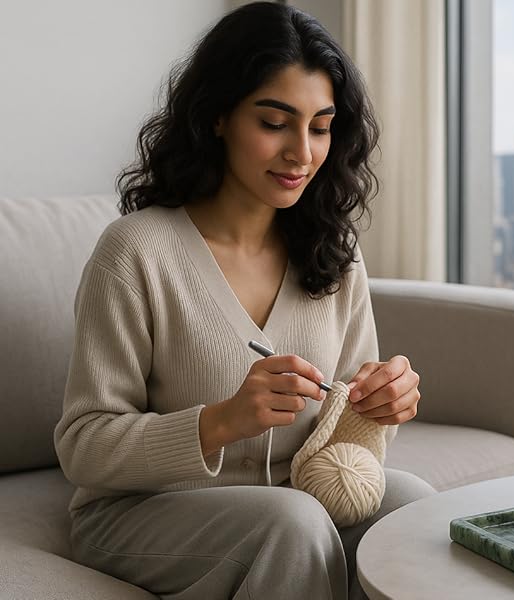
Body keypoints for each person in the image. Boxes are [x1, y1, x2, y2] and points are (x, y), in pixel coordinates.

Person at [53, 3, 436, 599]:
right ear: (217, 117)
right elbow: (83, 445)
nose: (302, 153)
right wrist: (222, 421)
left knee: (416, 508)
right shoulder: (135, 253)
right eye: (275, 122)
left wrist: (375, 409)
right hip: (140, 512)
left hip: (293, 496)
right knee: (294, 522)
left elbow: (346, 439)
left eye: (320, 125)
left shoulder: (335, 252)